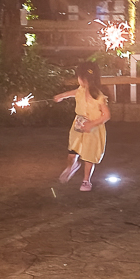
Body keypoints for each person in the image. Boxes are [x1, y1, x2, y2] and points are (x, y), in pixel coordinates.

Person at [54, 62, 111, 192]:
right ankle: (72, 166)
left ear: (84, 78)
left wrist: (91, 124)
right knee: (73, 150)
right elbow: (73, 93)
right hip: (78, 126)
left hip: (93, 130)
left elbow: (106, 115)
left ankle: (86, 181)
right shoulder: (81, 90)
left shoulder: (98, 96)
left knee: (89, 155)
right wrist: (62, 96)